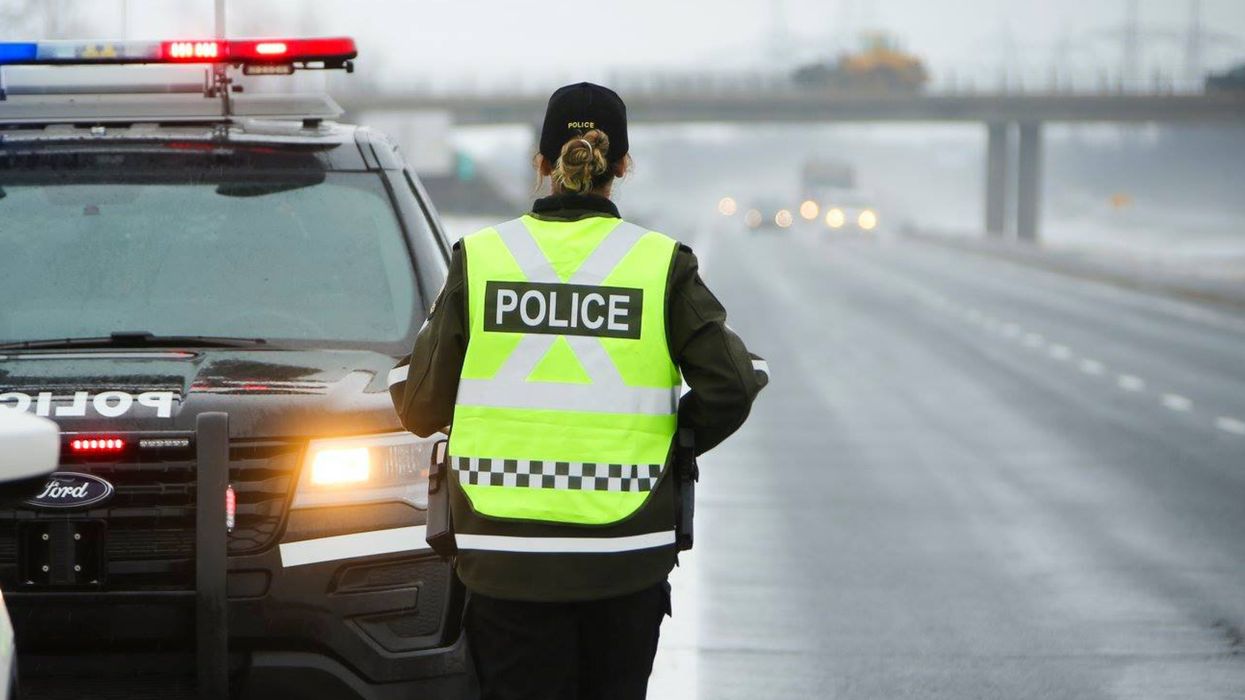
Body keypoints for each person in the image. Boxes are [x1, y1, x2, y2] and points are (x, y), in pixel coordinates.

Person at [391, 82, 766, 700]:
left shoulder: (483, 258)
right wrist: (674, 442)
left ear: (542, 163)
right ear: (621, 166)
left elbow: (422, 404)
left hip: (502, 555)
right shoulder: (660, 263)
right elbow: (730, 386)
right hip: (627, 554)